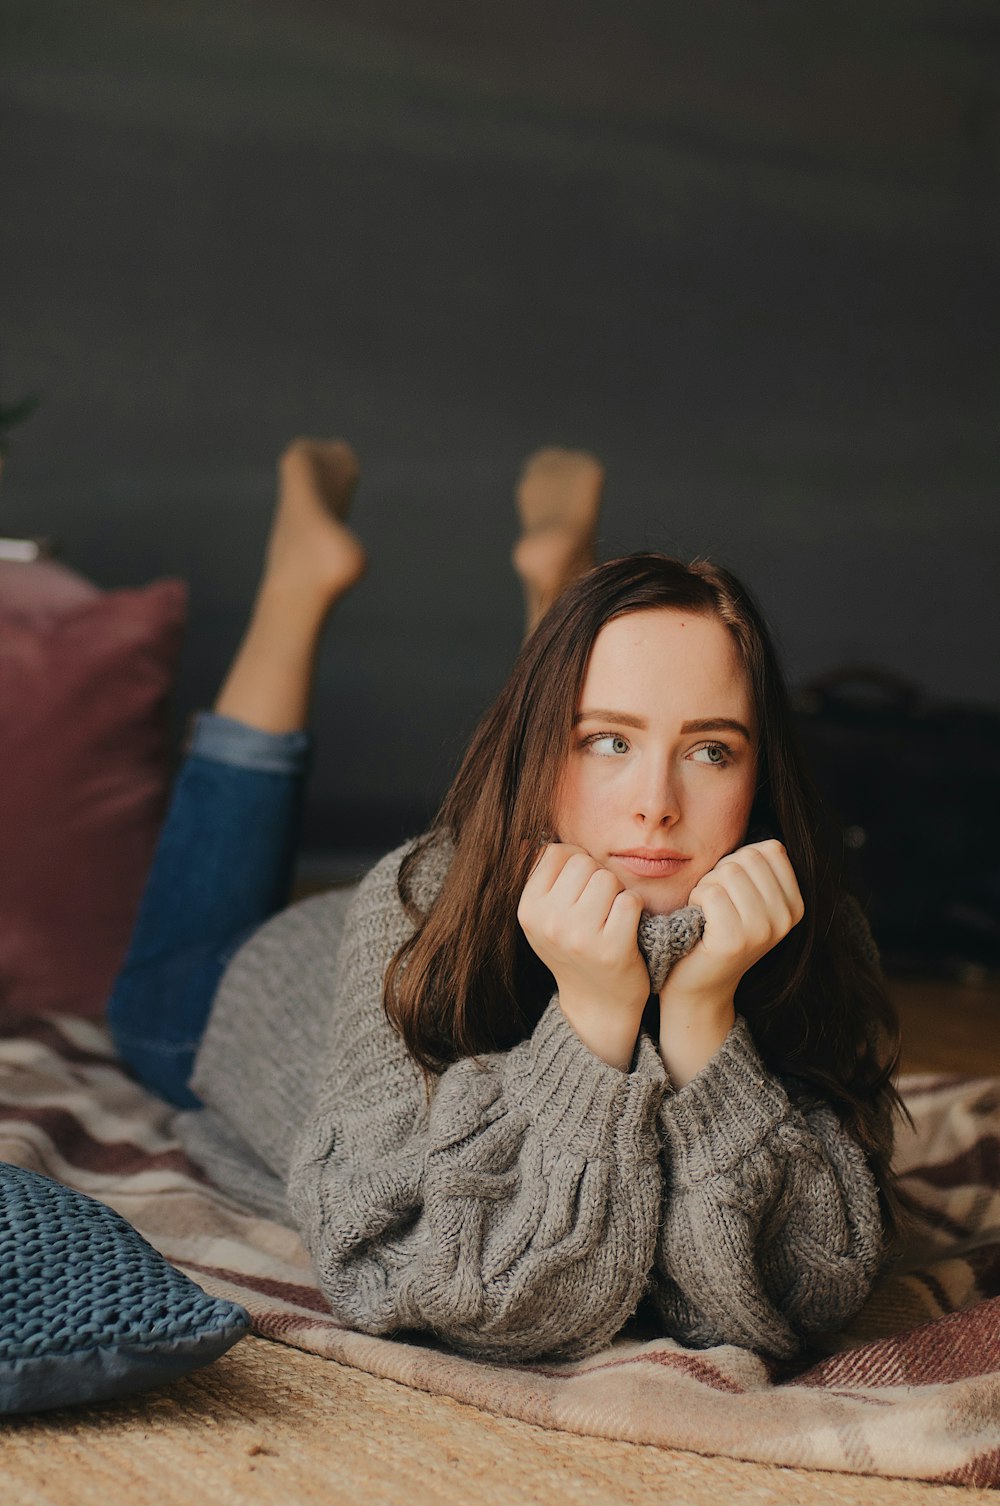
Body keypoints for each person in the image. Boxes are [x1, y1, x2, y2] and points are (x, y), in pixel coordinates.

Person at [108, 438, 904, 1365]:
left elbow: (803, 1293)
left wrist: (700, 1019)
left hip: (500, 883)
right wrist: (596, 1020)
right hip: (255, 991)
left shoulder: (810, 925)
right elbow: (443, 1283)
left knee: (594, 703)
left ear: (761, 772)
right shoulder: (415, 898)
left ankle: (571, 621)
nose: (657, 802)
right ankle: (297, 584)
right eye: (606, 741)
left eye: (711, 749)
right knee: (150, 1004)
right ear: (549, 751)